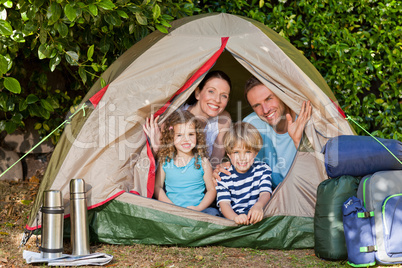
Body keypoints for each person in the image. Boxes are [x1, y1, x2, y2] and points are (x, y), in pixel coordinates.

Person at [214, 76, 312, 188]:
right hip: (269, 193)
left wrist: (298, 141)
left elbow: (319, 173)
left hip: (304, 190)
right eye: (257, 105)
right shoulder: (250, 126)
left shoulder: (305, 119)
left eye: (269, 99)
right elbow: (242, 165)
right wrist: (226, 169)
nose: (265, 110)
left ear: (281, 95)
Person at [144, 70, 232, 168]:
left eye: (224, 95)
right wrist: (157, 149)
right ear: (198, 93)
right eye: (211, 91)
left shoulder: (224, 120)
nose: (217, 100)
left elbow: (215, 163)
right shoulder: (173, 117)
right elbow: (157, 165)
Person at [153, 110, 218, 215]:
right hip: (172, 212)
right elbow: (157, 187)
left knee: (213, 212)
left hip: (198, 212)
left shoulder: (203, 162)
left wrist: (199, 208)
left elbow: (211, 190)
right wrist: (170, 206)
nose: (186, 139)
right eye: (179, 135)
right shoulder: (165, 161)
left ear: (197, 135)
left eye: (191, 134)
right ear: (171, 137)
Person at [216, 122, 272, 225]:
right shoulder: (224, 176)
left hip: (257, 214)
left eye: (248, 152)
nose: (242, 157)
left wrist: (258, 206)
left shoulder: (262, 169)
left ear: (255, 153)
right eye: (236, 152)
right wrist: (235, 217)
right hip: (234, 218)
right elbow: (224, 204)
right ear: (229, 155)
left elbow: (265, 193)